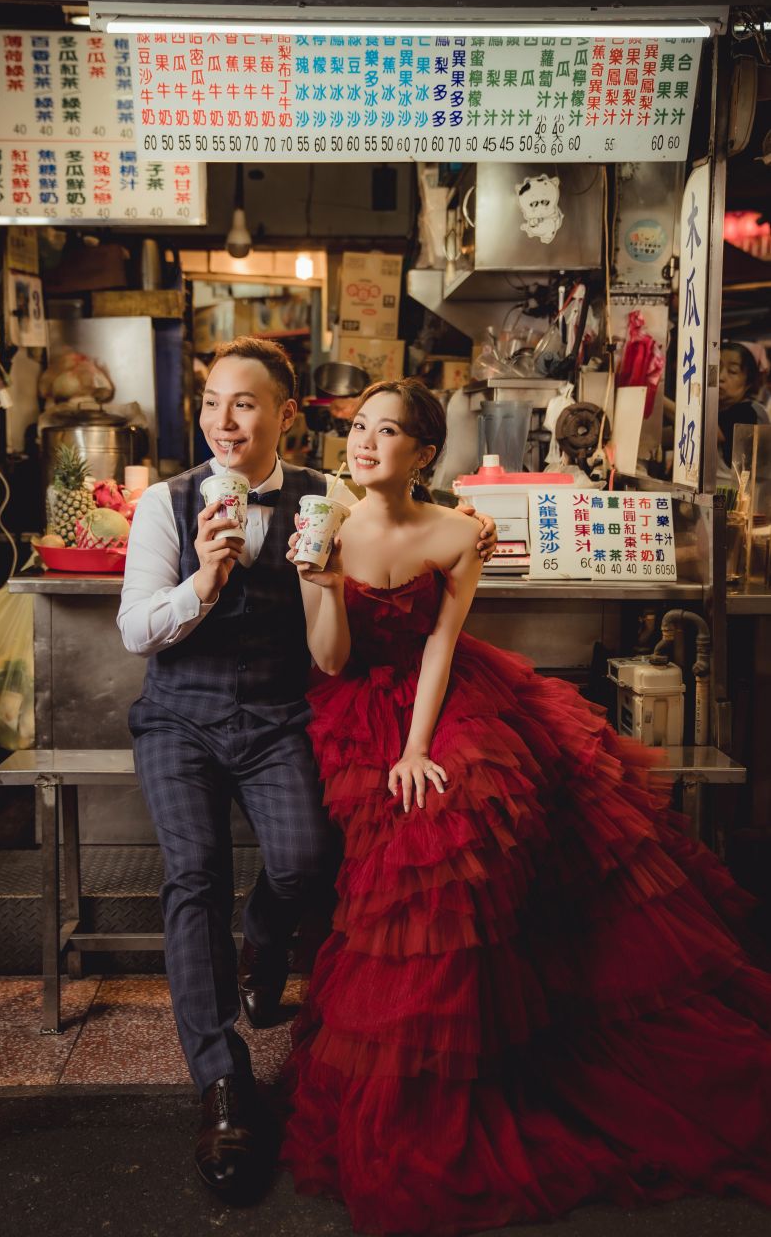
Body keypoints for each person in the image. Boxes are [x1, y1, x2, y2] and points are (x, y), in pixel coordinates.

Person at [282, 377, 771, 1235]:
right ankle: (426, 1068)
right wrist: (319, 582)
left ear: (421, 453)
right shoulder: (327, 525)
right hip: (355, 704)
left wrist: (416, 748)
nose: (363, 443)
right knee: (407, 871)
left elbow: (440, 645)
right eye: (358, 427)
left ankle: (494, 1049)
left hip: (443, 699)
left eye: (386, 431)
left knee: (464, 822)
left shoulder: (459, 531)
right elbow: (329, 662)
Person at [117, 339, 497, 1204]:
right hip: (179, 716)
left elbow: (398, 513)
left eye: (244, 404)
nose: (222, 421)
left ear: (286, 416)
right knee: (193, 877)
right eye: (211, 403)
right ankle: (222, 1082)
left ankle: (262, 940)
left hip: (280, 713)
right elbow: (135, 631)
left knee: (304, 863)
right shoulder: (165, 504)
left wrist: (470, 518)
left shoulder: (324, 495)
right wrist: (202, 582)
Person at [718, 341, 769, 472]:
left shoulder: (748, 411)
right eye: (716, 368)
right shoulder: (718, 411)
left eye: (732, 371)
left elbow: (714, 433)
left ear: (749, 381)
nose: (720, 377)